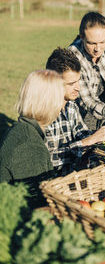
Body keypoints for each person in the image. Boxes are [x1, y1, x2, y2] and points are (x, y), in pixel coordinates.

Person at [45, 48, 105, 175]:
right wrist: (87, 142)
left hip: (76, 175)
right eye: (71, 84)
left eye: (78, 81)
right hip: (53, 185)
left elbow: (83, 135)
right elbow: (47, 161)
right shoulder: (42, 113)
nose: (78, 88)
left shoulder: (71, 106)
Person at [0, 69, 65, 207]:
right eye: (61, 99)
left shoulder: (22, 129)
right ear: (50, 103)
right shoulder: (29, 146)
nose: (62, 105)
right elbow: (39, 203)